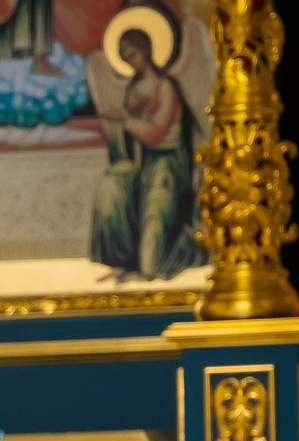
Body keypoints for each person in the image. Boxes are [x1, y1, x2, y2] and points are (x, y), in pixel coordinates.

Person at [89, 16, 202, 282]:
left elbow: (156, 132)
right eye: (124, 58)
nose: (130, 62)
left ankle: (178, 255)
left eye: (132, 55)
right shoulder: (134, 87)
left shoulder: (165, 87)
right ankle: (124, 260)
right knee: (110, 188)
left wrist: (125, 119)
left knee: (154, 231)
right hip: (141, 163)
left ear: (147, 51)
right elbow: (128, 128)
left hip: (167, 166)